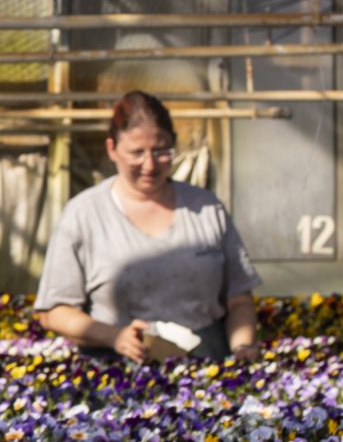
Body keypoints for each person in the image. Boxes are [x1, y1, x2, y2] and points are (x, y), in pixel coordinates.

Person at [36, 91, 260, 364]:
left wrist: (243, 347)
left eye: (161, 151)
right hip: (115, 371)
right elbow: (54, 311)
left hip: (206, 365)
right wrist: (114, 336)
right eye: (137, 153)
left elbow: (239, 299)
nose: (150, 164)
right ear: (112, 149)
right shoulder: (83, 214)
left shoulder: (206, 208)